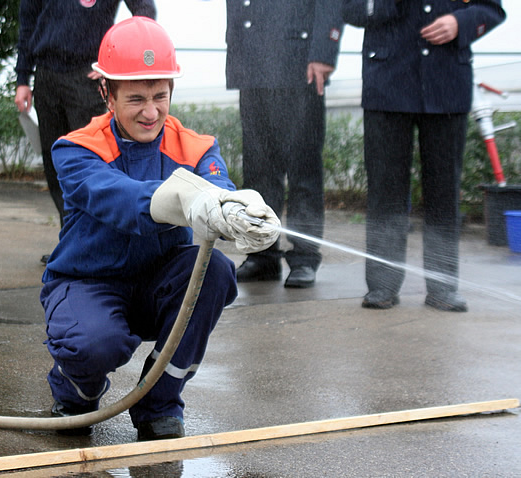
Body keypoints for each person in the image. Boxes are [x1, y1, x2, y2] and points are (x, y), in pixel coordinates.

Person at [39, 17, 280, 440]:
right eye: (135, 99)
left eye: (160, 96)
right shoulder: (76, 149)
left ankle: (160, 402)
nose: (150, 112)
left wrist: (241, 212)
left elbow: (219, 188)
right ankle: (76, 387)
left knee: (216, 271)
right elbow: (117, 197)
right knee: (94, 346)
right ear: (106, 93)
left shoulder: (196, 147)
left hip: (158, 285)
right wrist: (185, 199)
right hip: (86, 284)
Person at [341, 0, 506, 312]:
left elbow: (492, 9)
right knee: (385, 192)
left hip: (447, 87)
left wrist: (461, 23)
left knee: (444, 193)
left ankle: (442, 286)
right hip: (387, 84)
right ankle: (382, 285)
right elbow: (351, 10)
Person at [14, 0, 156, 263]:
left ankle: (103, 242)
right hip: (46, 75)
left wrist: (114, 60)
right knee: (55, 163)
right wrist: (22, 78)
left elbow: (144, 12)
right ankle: (72, 240)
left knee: (96, 163)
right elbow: (27, 25)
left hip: (87, 77)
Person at [225, 0, 345, 288]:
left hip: (299, 64)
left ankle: (304, 257)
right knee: (258, 169)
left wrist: (324, 51)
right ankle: (262, 255)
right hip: (253, 64)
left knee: (303, 169)